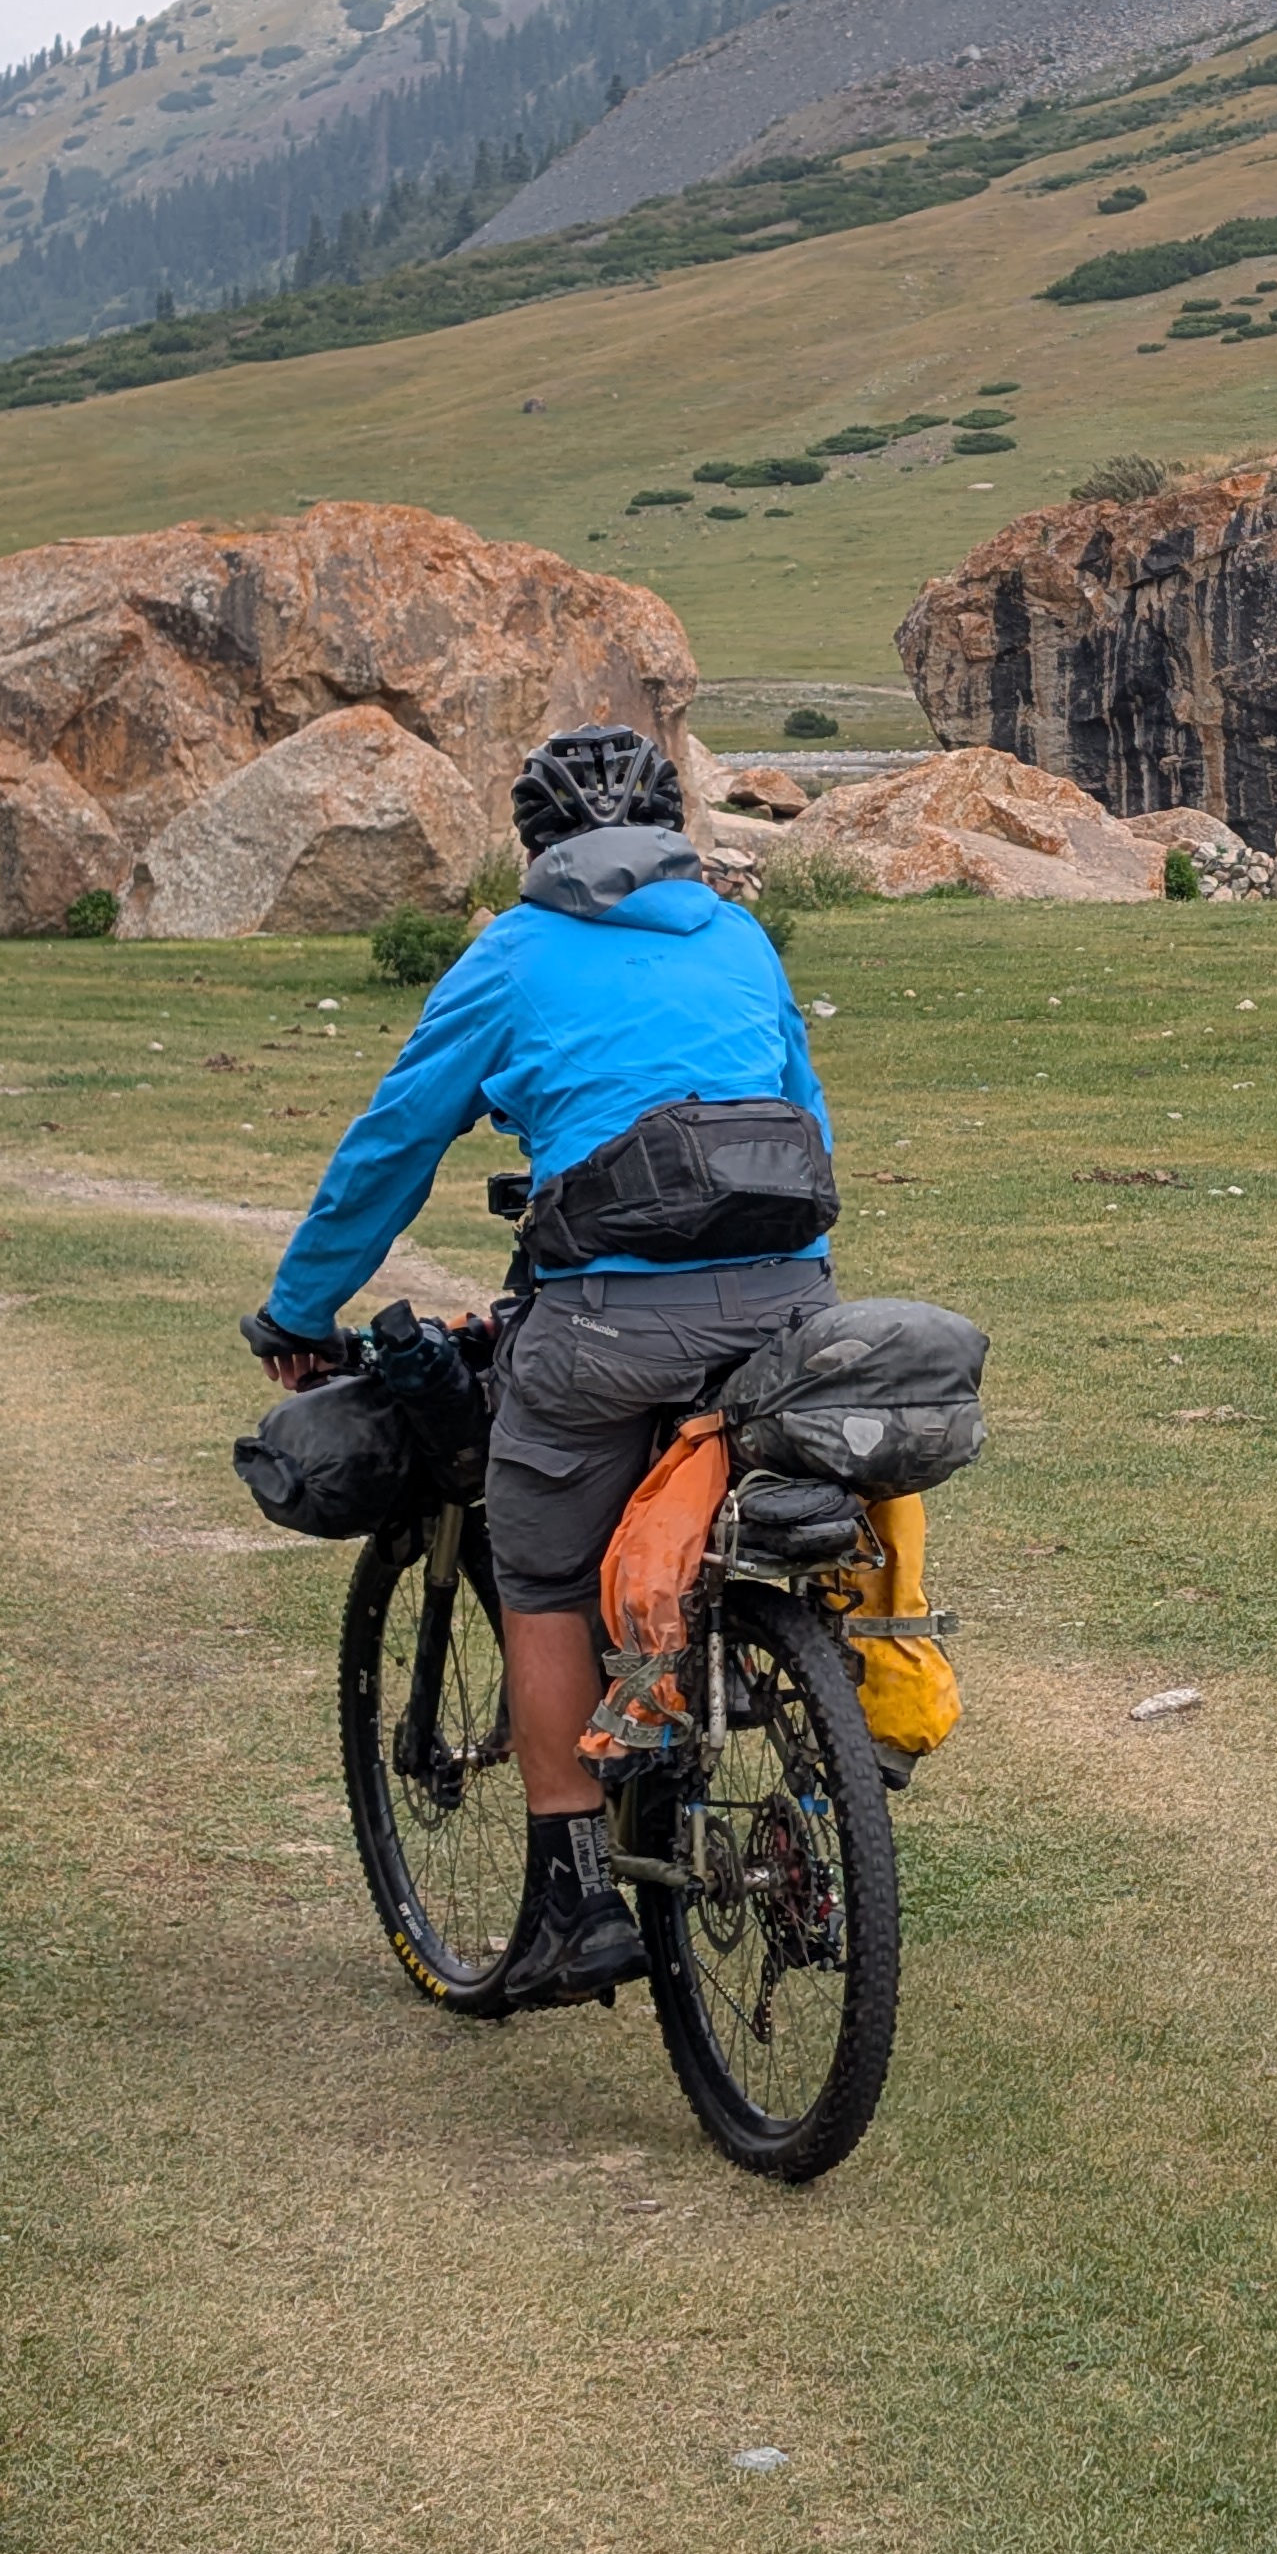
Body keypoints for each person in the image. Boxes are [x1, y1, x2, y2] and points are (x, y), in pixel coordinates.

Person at [253, 722, 835, 2006]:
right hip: (789, 1303)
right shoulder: (739, 937)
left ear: (537, 842)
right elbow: (805, 1117)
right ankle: (813, 1763)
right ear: (673, 826)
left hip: (607, 1324)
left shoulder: (511, 955)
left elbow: (394, 1141)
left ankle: (572, 1895)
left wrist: (301, 1308)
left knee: (544, 1568)